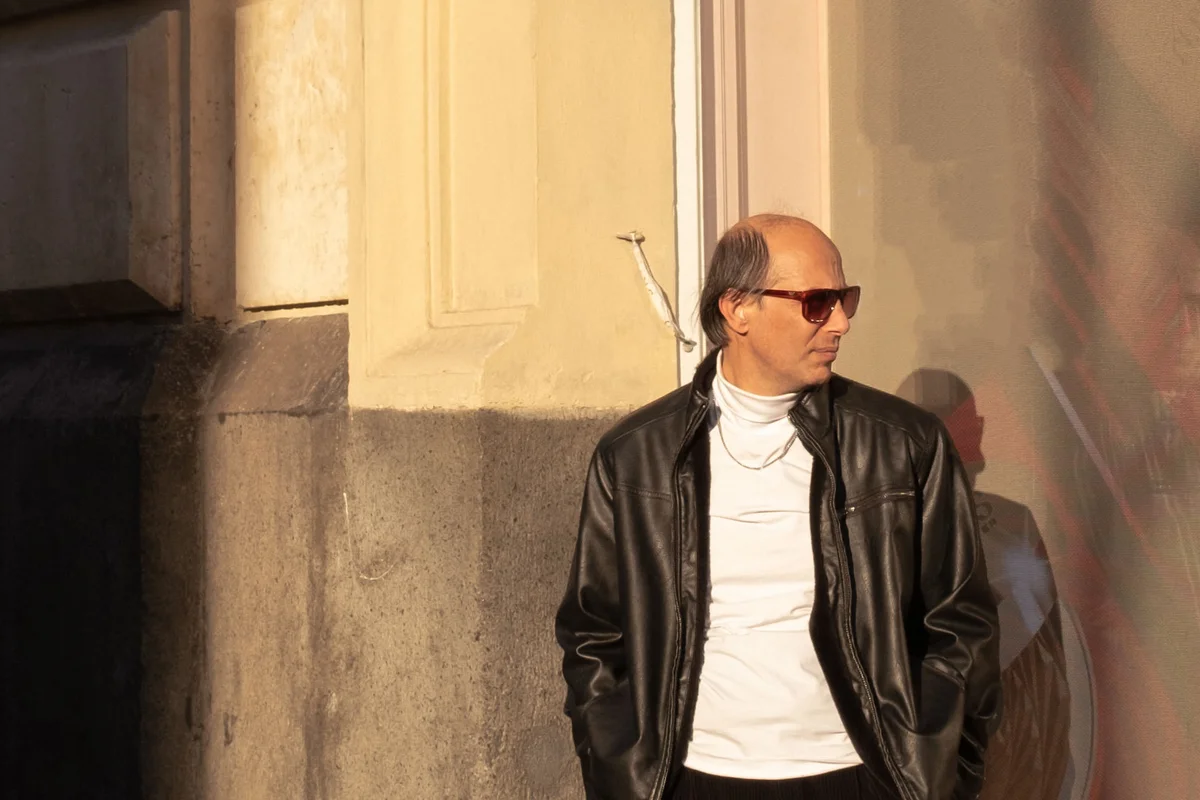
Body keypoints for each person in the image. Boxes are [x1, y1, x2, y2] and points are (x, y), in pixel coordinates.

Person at [555, 215, 1002, 800]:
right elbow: (594, 634)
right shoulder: (636, 455)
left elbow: (961, 624)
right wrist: (617, 770)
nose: (841, 322)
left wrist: (942, 772)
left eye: (845, 299)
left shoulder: (902, 444)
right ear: (738, 310)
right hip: (691, 776)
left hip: (862, 773)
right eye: (817, 302)